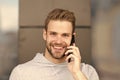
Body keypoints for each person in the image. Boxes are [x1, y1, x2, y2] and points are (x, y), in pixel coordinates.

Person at [9, 8, 99, 80]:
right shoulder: (21, 73)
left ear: (72, 37)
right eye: (53, 34)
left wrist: (77, 73)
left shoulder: (87, 72)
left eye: (65, 35)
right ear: (45, 34)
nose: (58, 41)